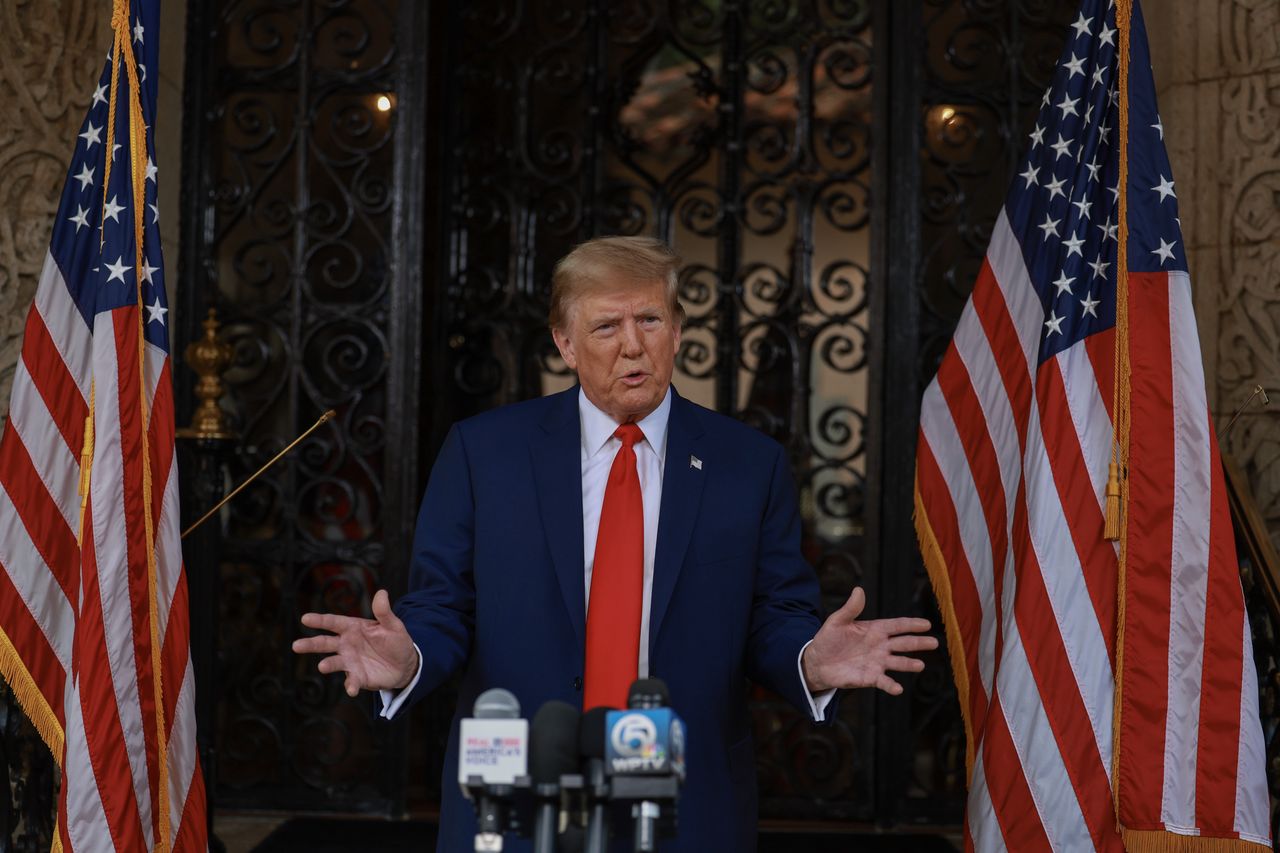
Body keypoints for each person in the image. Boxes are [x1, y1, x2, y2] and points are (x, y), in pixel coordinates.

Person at [293, 237, 938, 851]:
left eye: (651, 320)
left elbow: (772, 616)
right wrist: (409, 656)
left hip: (685, 796)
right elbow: (443, 606)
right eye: (606, 327)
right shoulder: (483, 453)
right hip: (520, 790)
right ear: (564, 344)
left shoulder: (750, 464)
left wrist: (809, 659)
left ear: (679, 333)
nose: (633, 345)